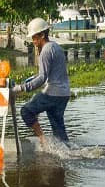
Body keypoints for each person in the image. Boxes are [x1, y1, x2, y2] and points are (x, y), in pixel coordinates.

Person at [13, 17, 71, 146]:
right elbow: (51, 73)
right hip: (64, 94)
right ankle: (68, 152)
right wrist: (33, 78)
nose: (33, 41)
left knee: (26, 111)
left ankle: (42, 140)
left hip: (52, 93)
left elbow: (42, 78)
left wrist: (21, 88)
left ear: (42, 35)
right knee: (59, 131)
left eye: (34, 37)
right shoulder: (56, 47)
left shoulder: (45, 51)